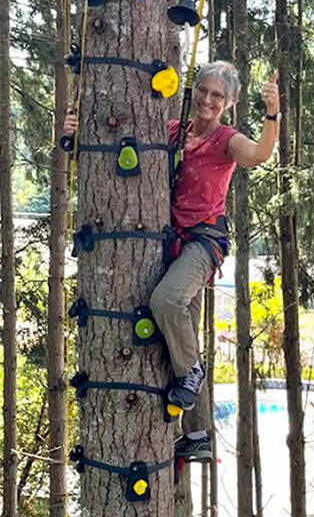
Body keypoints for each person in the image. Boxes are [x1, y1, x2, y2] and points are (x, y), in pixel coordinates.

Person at [63, 61, 279, 462]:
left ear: (229, 103)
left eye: (218, 95)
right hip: (171, 239)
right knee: (183, 339)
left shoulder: (226, 140)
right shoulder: (174, 133)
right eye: (203, 91)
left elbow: (258, 154)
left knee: (166, 303)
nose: (208, 100)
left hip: (203, 241)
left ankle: (190, 378)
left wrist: (272, 113)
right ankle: (196, 434)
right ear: (193, 92)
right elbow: (117, 154)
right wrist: (76, 135)